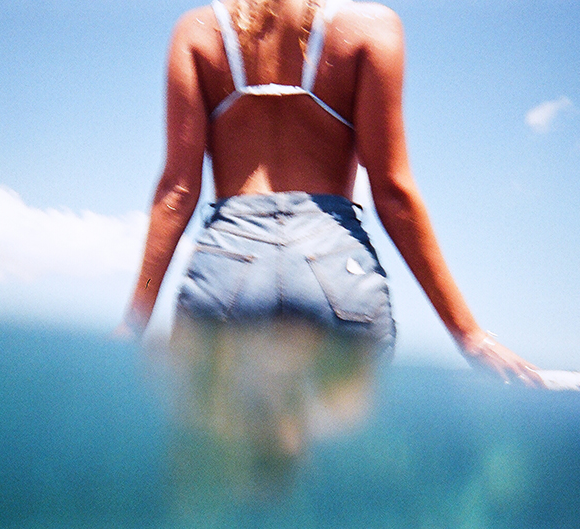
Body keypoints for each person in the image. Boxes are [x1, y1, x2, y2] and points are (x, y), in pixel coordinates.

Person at [116, 0, 543, 389]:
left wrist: (135, 320)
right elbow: (393, 194)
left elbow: (176, 193)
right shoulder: (372, 26)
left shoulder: (197, 30)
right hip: (336, 266)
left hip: (226, 264)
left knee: (219, 445)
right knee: (345, 445)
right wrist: (469, 334)